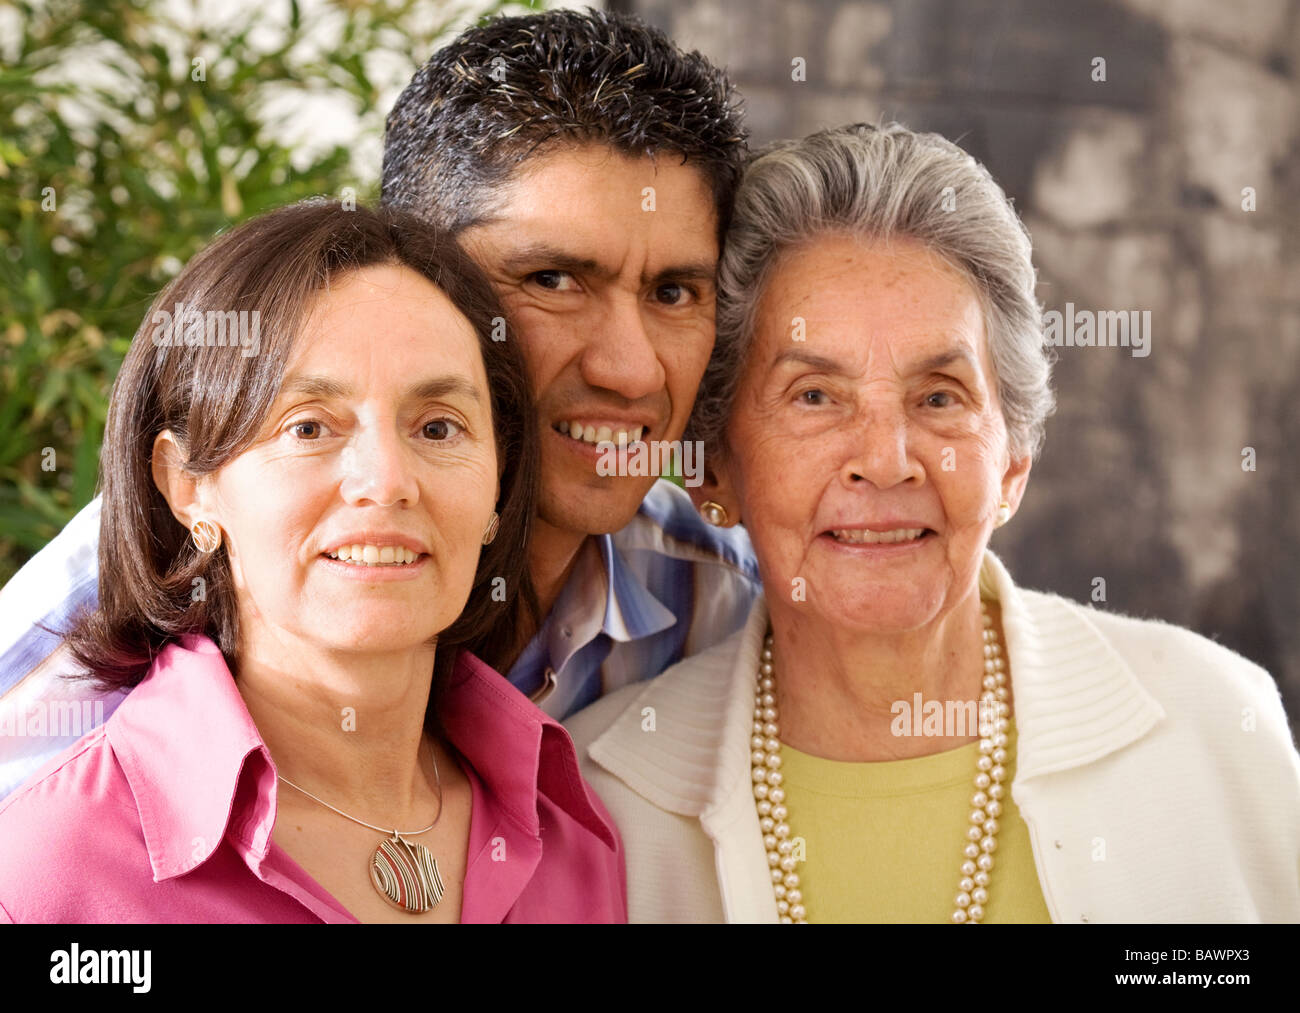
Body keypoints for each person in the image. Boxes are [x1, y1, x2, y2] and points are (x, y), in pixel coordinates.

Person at [0, 9, 759, 799]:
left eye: (675, 291)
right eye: (552, 280)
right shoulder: (131, 590)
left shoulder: (720, 599)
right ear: (415, 272)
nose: (632, 371)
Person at [565, 123, 1300, 923]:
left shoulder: (1210, 720)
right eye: (815, 396)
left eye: (940, 396)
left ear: (1013, 459)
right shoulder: (603, 797)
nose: (886, 460)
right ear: (715, 470)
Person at [0, 200, 625, 923]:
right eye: (308, 426)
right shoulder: (52, 871)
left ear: (499, 477)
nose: (387, 480)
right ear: (188, 486)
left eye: (437, 426)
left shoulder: (569, 829)